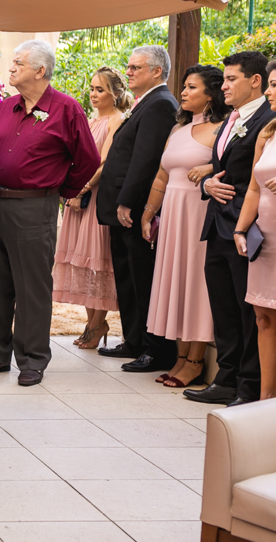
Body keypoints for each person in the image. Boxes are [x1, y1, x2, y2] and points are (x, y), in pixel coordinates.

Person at [0, 41, 100, 386]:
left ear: (40, 71)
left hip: (32, 205)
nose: (10, 68)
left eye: (18, 63)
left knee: (31, 286)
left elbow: (88, 160)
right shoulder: (6, 106)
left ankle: (32, 359)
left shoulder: (66, 109)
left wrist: (61, 190)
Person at [187, 51, 276, 406]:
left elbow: (258, 178)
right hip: (217, 225)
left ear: (255, 80)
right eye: (223, 80)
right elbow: (218, 169)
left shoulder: (268, 121)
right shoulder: (231, 119)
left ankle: (248, 386)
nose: (223, 86)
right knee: (223, 308)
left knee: (246, 312)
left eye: (231, 79)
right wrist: (206, 183)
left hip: (247, 228)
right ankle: (225, 378)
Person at [141, 65, 228, 387]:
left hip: (198, 214)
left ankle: (195, 361)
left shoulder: (222, 129)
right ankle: (179, 357)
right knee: (175, 281)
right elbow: (163, 175)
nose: (184, 92)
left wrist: (209, 166)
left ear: (210, 94)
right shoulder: (177, 130)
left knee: (195, 283)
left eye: (192, 87)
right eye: (185, 86)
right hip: (173, 215)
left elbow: (228, 165)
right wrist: (149, 212)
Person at [97, 45, 180, 372]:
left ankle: (153, 349)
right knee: (127, 277)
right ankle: (133, 339)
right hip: (120, 207)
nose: (128, 72)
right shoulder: (146, 103)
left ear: (157, 71)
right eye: (129, 67)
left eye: (136, 68)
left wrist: (128, 201)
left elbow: (146, 159)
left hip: (132, 207)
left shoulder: (160, 104)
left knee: (142, 277)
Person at [54, 67, 129, 349]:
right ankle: (92, 323)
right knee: (80, 262)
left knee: (98, 261)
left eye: (100, 90)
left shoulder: (117, 121)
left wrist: (82, 188)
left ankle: (98, 323)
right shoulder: (88, 120)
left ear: (115, 93)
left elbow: (105, 162)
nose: (94, 94)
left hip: (96, 197)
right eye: (92, 89)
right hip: (77, 199)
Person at [234, 57, 276, 400]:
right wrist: (241, 230)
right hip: (264, 237)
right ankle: (265, 400)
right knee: (263, 317)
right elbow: (255, 187)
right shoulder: (270, 130)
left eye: (274, 84)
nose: (267, 91)